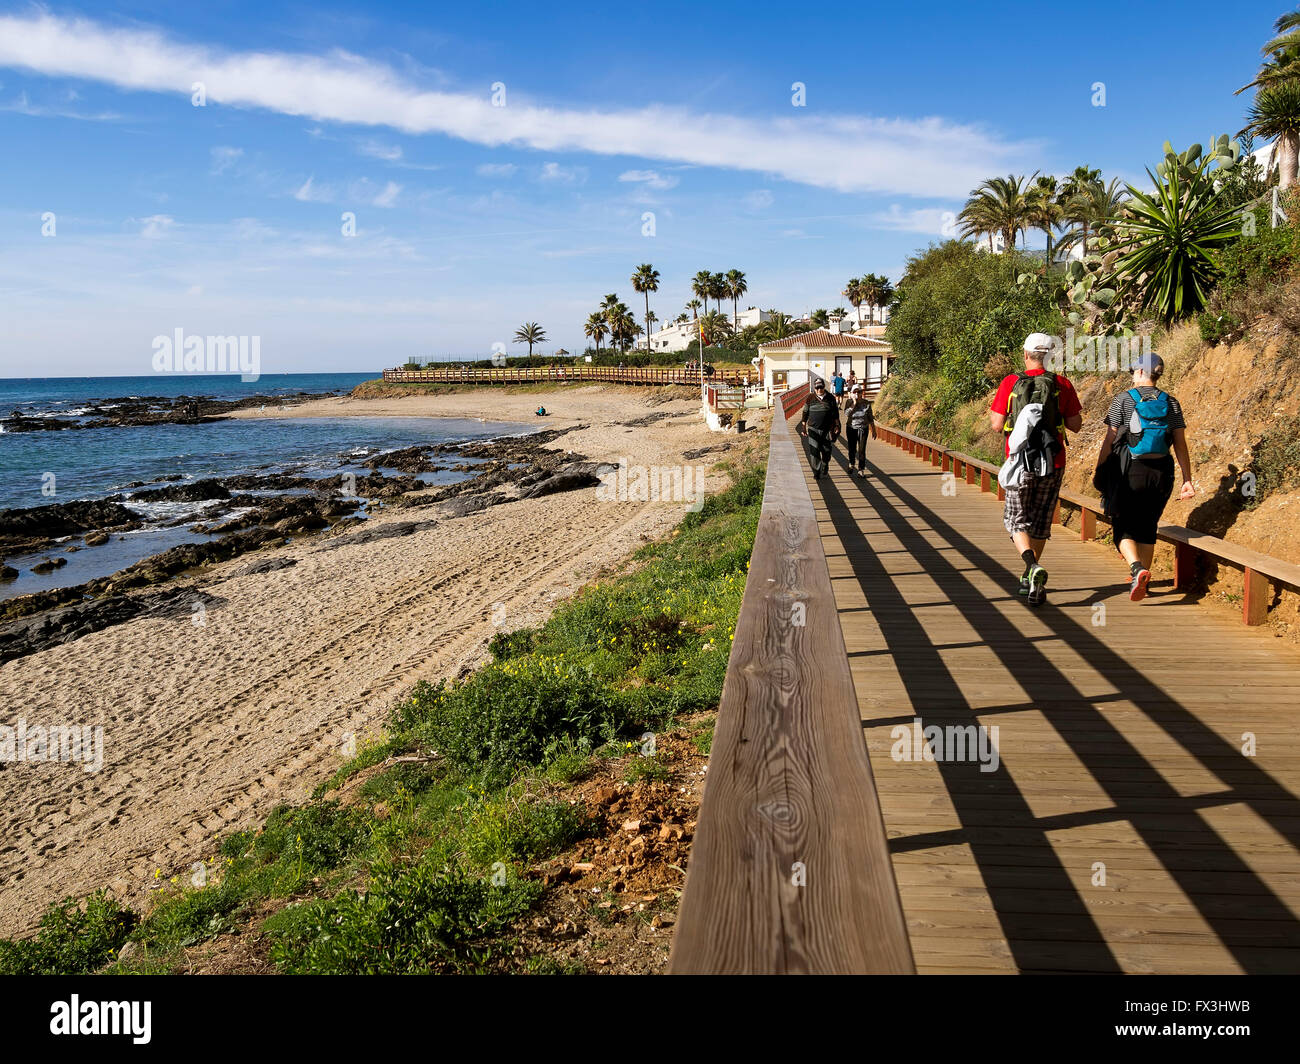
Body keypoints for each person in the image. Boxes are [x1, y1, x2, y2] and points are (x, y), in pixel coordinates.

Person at [989, 333, 1083, 606]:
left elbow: (996, 425)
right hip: (1052, 462)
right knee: (1041, 521)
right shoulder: (1061, 383)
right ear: (1049, 356)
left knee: (1017, 520)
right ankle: (1031, 577)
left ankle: (1030, 567)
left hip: (1019, 462)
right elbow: (1076, 425)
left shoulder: (1011, 382)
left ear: (1026, 354)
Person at [1094, 352, 1195, 601]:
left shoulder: (1124, 400)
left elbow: (1110, 439)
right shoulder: (1171, 403)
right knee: (1148, 525)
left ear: (1141, 372)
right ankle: (1144, 583)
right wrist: (1187, 479)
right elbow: (1180, 444)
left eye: (1133, 372)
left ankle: (1136, 568)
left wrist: (1101, 469)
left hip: (1131, 470)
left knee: (1123, 524)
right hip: (1162, 472)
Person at [799, 378, 840, 480]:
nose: (819, 389)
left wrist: (837, 425)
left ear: (824, 387)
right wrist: (803, 427)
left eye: (821, 387)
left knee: (826, 451)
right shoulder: (810, 398)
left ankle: (825, 465)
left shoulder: (830, 398)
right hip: (813, 429)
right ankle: (816, 472)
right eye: (817, 387)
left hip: (827, 429)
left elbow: (835, 413)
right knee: (814, 451)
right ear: (814, 388)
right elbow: (805, 413)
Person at [842, 385, 876, 474]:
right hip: (851, 428)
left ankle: (861, 469)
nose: (857, 394)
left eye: (859, 392)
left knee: (862, 450)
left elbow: (870, 417)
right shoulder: (849, 402)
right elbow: (846, 413)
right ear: (852, 393)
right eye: (855, 392)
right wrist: (854, 403)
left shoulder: (866, 403)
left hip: (863, 429)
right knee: (851, 448)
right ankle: (851, 463)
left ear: (861, 393)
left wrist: (874, 430)